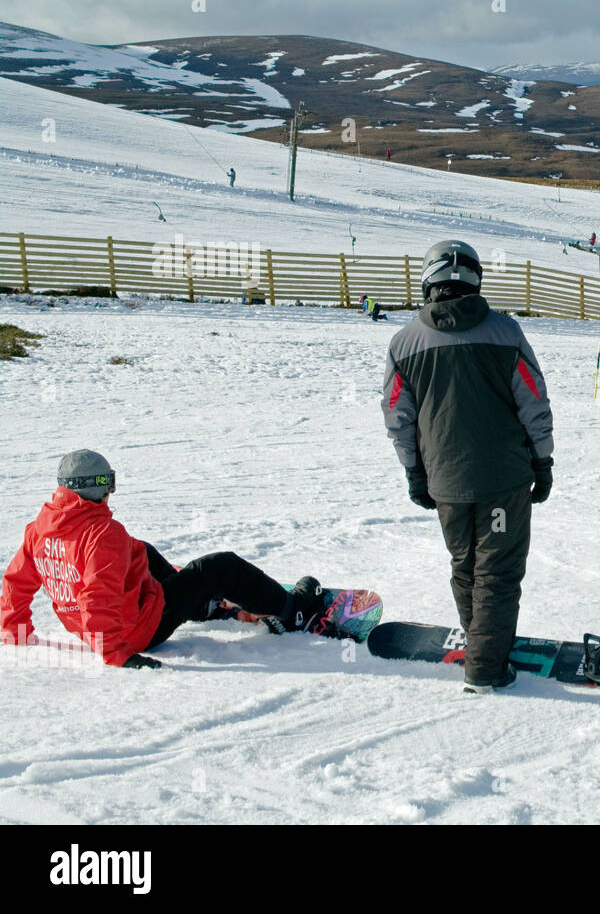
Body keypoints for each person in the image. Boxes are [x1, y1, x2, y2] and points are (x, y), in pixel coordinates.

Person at [382, 240, 554, 693]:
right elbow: (533, 400)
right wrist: (543, 459)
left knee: (465, 564)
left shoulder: (404, 343)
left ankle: (483, 642)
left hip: (446, 479)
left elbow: (398, 417)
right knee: (496, 570)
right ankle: (486, 666)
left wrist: (414, 472)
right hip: (504, 477)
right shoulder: (505, 332)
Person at [1, 450, 333, 669]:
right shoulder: (103, 533)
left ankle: (201, 604)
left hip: (93, 630)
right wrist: (117, 654)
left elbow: (16, 582)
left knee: (137, 549)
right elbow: (96, 597)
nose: (111, 491)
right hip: (137, 632)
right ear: (94, 487)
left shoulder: (40, 528)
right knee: (218, 566)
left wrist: (13, 630)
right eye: (109, 483)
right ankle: (294, 611)